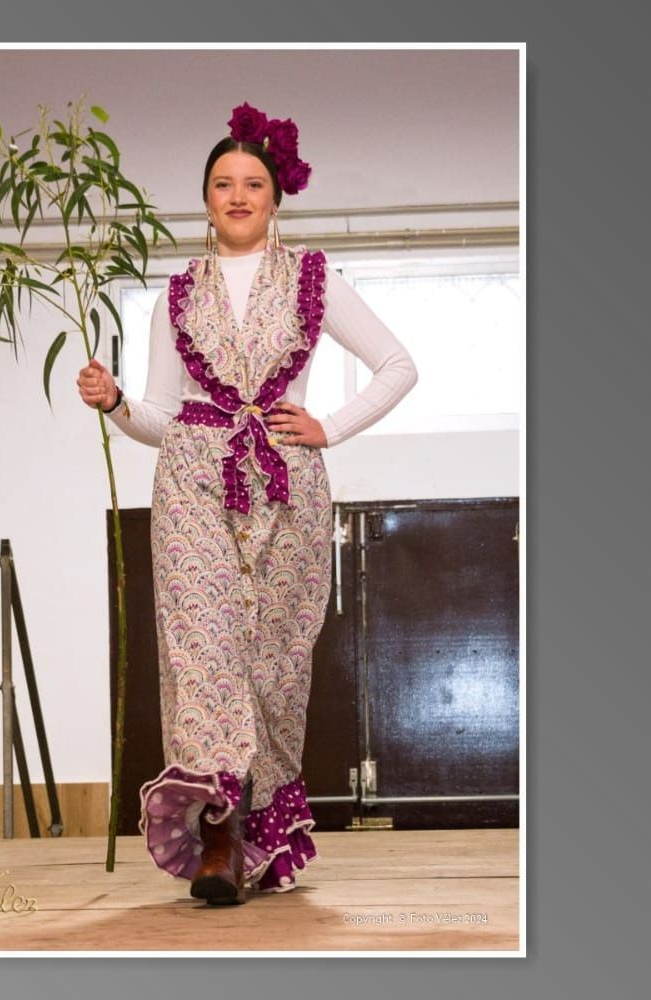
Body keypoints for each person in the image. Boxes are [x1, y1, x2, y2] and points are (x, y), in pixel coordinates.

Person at [76, 102, 417, 905]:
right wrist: (117, 400)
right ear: (205, 198)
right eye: (222, 183)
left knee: (272, 663)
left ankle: (260, 827)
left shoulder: (313, 278)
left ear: (274, 197)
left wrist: (328, 426)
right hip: (193, 481)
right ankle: (217, 840)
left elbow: (399, 366)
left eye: (252, 183)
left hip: (288, 483)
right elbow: (162, 418)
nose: (237, 195)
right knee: (202, 651)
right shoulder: (177, 295)